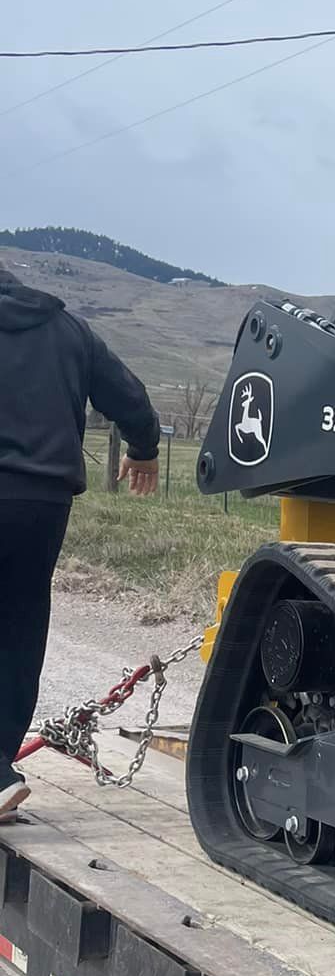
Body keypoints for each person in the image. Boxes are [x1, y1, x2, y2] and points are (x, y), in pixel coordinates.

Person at [0, 262, 161, 818]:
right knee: (19, 628)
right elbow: (128, 394)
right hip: (42, 503)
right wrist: (143, 448)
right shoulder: (67, 329)